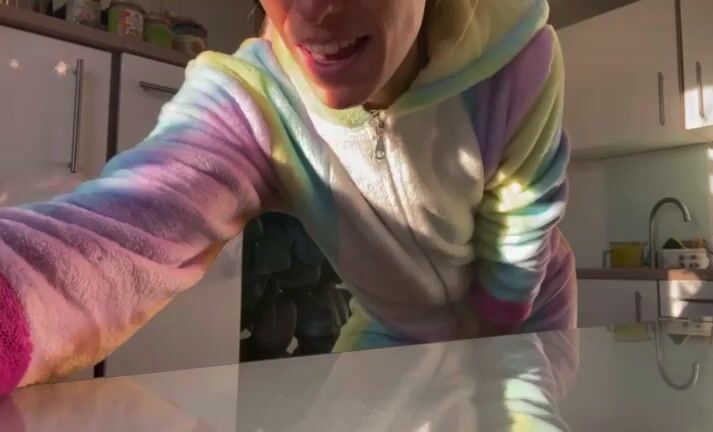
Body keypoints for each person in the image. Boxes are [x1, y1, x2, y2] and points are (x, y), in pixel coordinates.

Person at [0, 0, 575, 394]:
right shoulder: (255, 100)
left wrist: (494, 343)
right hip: (394, 328)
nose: (312, 12)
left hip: (527, 314)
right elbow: (125, 223)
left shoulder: (515, 58)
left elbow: (526, 211)